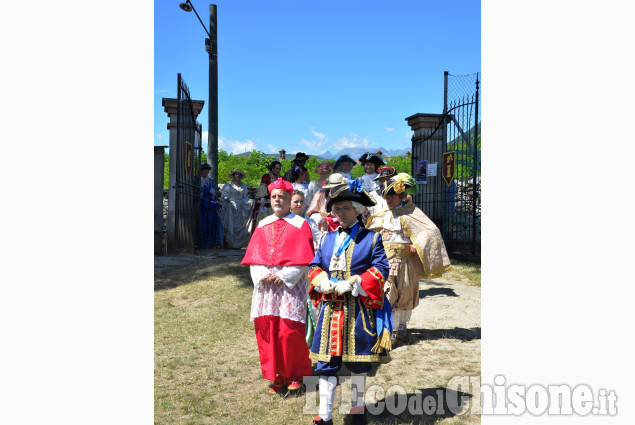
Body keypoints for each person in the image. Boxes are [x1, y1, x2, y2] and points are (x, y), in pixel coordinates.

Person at [307, 180, 392, 425]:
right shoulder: (326, 238)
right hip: (330, 310)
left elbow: (380, 269)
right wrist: (320, 278)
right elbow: (314, 265)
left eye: (345, 208)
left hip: (358, 310)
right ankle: (325, 416)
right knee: (327, 362)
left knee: (358, 362)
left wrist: (355, 281)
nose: (340, 213)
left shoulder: (372, 238)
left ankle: (357, 410)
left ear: (358, 209)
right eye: (337, 209)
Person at [241, 178, 316, 394]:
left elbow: (304, 259)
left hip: (289, 288)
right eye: (274, 197)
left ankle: (295, 374)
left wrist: (283, 275)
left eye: (281, 197)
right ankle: (277, 376)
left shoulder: (301, 224)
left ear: (289, 199)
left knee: (289, 332)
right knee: (268, 330)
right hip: (267, 288)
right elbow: (254, 256)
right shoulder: (263, 224)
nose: (277, 200)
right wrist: (263, 274)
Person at [366, 173, 452, 343]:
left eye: (392, 197)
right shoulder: (382, 216)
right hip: (386, 262)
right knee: (387, 292)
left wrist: (416, 243)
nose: (389, 200)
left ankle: (402, 326)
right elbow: (370, 236)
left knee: (405, 292)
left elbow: (430, 230)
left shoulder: (412, 212)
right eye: (387, 197)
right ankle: (387, 328)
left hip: (405, 261)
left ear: (401, 197)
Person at [290, 189, 319, 349]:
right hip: (289, 266)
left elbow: (319, 240)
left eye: (301, 201)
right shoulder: (286, 222)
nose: (299, 204)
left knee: (307, 299)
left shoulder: (309, 222)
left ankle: (309, 335)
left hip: (307, 265)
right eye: (296, 201)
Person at [220, 168, 253, 249]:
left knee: (240, 224)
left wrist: (250, 202)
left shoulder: (243, 185)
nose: (237, 176)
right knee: (231, 224)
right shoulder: (229, 185)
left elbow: (245, 196)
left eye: (239, 174)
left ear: (241, 176)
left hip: (241, 207)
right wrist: (226, 198)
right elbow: (224, 194)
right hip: (231, 206)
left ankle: (238, 244)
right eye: (236, 174)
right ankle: (229, 243)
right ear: (233, 175)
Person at [250, 160, 282, 234]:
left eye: (279, 168)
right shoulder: (266, 176)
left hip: (277, 200)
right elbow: (262, 188)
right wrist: (262, 198)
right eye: (276, 168)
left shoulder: (281, 178)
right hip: (267, 200)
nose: (278, 170)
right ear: (272, 168)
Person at [199, 163, 223, 249]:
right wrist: (202, 187)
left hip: (209, 204)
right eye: (204, 169)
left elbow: (213, 193)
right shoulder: (197, 179)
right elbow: (196, 192)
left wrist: (212, 193)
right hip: (200, 205)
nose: (206, 171)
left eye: (208, 169)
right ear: (201, 170)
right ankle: (202, 244)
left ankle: (212, 244)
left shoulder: (211, 180)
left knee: (212, 222)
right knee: (202, 224)